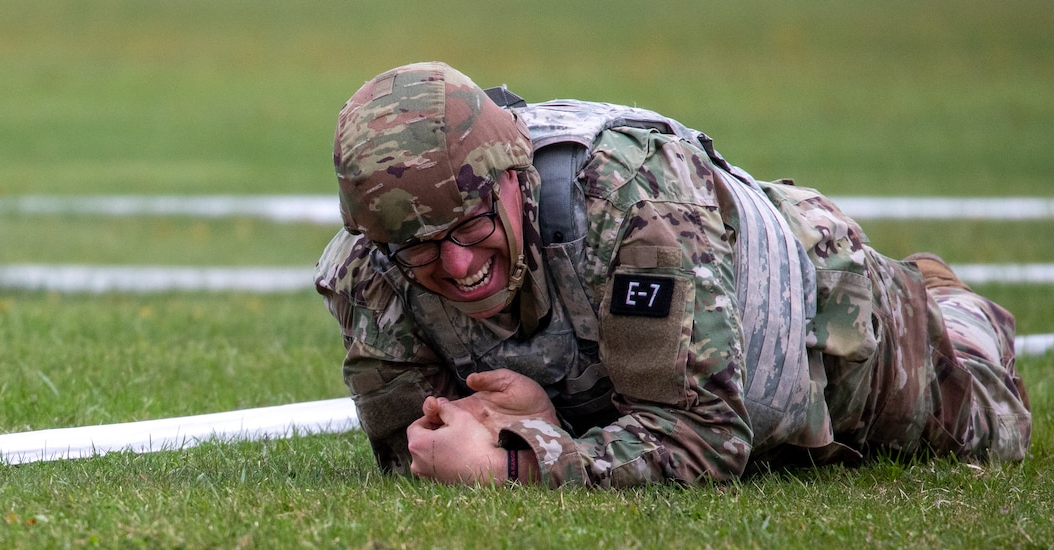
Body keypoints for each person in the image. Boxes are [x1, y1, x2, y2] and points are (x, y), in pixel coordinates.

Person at [314, 61, 1031, 488]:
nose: (458, 265)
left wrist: (517, 468)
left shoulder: (631, 207)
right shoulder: (374, 267)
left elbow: (706, 437)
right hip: (648, 350)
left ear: (514, 179)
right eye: (421, 250)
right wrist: (523, 424)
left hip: (826, 319)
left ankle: (948, 301)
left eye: (470, 229)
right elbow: (416, 445)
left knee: (991, 428)